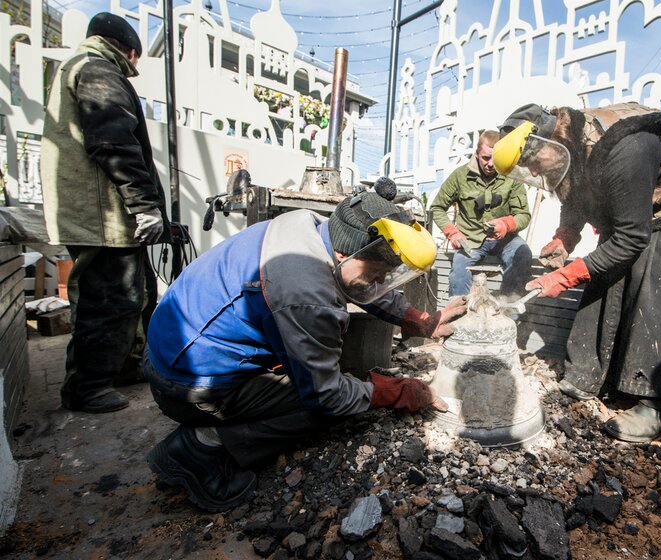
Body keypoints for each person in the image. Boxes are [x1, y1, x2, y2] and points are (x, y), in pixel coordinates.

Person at [143, 190, 467, 511]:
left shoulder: (311, 228)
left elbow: (361, 281)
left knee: (339, 372)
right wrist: (396, 391)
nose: (379, 281)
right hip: (183, 384)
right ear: (344, 254)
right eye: (376, 274)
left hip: (173, 349)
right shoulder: (304, 290)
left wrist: (420, 320)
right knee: (324, 407)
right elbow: (326, 396)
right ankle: (200, 447)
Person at [492, 102, 661, 443]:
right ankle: (588, 376)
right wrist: (566, 236)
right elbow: (574, 198)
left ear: (548, 140)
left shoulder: (626, 147)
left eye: (533, 163)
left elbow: (633, 237)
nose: (535, 173)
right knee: (602, 278)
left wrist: (564, 276)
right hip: (636, 204)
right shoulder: (569, 147)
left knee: (659, 285)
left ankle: (658, 402)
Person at [40, 13, 168, 413]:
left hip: (100, 213)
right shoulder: (97, 70)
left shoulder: (77, 68)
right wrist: (145, 206)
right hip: (104, 216)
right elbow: (114, 143)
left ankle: (125, 369)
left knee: (136, 293)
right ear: (128, 49)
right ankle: (88, 386)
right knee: (111, 298)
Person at [430, 130, 533, 297]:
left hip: (505, 240)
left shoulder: (512, 176)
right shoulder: (459, 176)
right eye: (486, 158)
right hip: (470, 239)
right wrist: (452, 233)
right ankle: (458, 316)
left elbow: (523, 214)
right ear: (477, 154)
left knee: (523, 254)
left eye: (495, 158)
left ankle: (508, 312)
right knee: (459, 268)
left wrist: (506, 224)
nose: (491, 164)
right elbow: (437, 208)